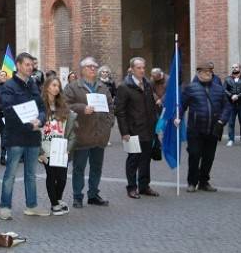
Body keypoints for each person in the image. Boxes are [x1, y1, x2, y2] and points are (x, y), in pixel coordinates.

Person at [0, 52, 49, 220]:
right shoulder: (9, 86)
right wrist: (29, 124)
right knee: (10, 174)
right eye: (27, 64)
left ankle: (32, 205)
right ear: (18, 65)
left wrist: (40, 121)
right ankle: (5, 207)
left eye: (32, 65)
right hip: (16, 137)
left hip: (33, 136)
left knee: (30, 174)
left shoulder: (34, 84)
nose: (30, 67)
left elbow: (42, 108)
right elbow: (8, 111)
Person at [64, 56, 114, 208]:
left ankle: (93, 194)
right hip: (82, 134)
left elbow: (111, 106)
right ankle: (77, 197)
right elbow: (64, 105)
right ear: (83, 70)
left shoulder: (103, 87)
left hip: (100, 135)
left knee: (96, 167)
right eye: (90, 66)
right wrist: (81, 108)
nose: (93, 69)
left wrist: (109, 123)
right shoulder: (73, 87)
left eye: (94, 66)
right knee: (79, 168)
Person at [176, 62, 231, 193]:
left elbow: (227, 107)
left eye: (210, 72)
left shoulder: (219, 89)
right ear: (199, 73)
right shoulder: (190, 88)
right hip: (195, 129)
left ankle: (204, 181)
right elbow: (182, 105)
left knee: (208, 157)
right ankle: (192, 182)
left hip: (213, 129)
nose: (208, 74)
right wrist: (177, 116)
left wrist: (221, 121)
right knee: (194, 155)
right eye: (205, 72)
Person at [115, 57, 159, 199]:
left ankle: (144, 186)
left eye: (143, 67)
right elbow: (120, 111)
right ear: (132, 69)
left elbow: (152, 106)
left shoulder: (147, 84)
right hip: (133, 131)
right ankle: (132, 187)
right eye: (139, 68)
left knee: (146, 159)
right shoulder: (124, 87)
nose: (142, 70)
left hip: (148, 129)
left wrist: (155, 126)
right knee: (133, 159)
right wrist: (124, 132)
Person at [40, 76, 77, 215]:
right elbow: (35, 130)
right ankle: (54, 204)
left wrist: (68, 147)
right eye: (54, 85)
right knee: (51, 175)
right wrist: (40, 152)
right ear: (47, 87)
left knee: (62, 177)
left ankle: (58, 199)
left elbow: (70, 129)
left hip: (61, 147)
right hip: (46, 147)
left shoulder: (63, 105)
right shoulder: (40, 105)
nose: (56, 88)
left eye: (58, 86)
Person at [223, 63, 241, 147]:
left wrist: (238, 96)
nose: (235, 69)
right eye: (233, 67)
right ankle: (231, 139)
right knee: (231, 122)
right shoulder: (228, 79)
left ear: (240, 68)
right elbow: (224, 89)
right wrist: (231, 95)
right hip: (231, 104)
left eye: (236, 67)